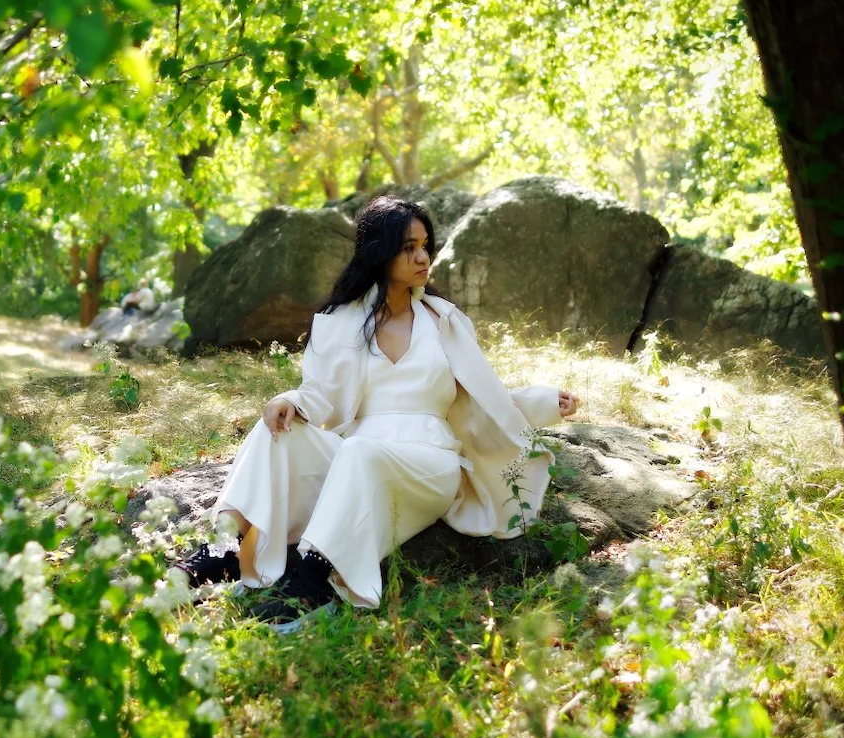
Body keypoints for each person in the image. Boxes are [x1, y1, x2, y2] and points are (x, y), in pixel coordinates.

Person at [174, 195, 580, 632]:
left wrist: (543, 403)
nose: (423, 257)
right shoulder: (340, 320)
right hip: (356, 457)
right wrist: (290, 400)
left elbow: (485, 398)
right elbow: (321, 395)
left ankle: (313, 581)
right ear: (379, 251)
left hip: (431, 464)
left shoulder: (444, 321)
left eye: (425, 245)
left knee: (361, 453)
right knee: (278, 431)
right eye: (409, 247)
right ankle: (221, 553)